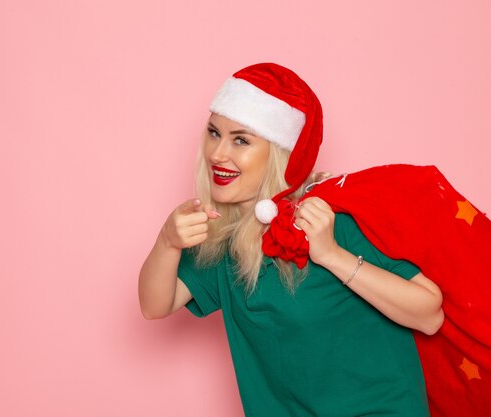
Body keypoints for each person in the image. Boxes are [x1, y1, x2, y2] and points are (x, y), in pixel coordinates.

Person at [138, 63, 444, 417]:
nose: (218, 154)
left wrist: (331, 255)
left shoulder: (332, 219)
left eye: (240, 140)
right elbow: (155, 305)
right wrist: (167, 242)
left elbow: (429, 314)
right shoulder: (223, 241)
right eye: (213, 133)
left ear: (280, 153)